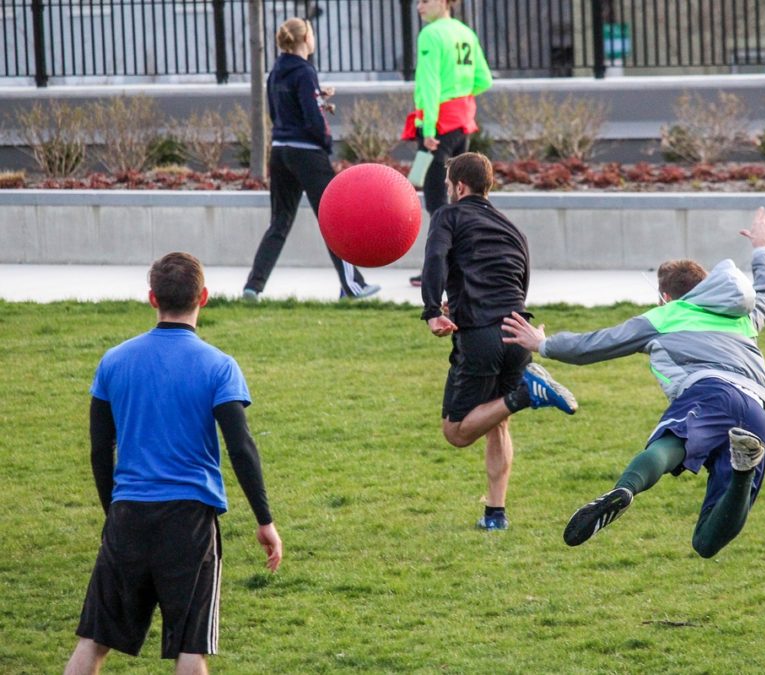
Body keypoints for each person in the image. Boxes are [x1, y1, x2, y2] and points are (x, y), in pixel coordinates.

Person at [502, 208, 765, 558]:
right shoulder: (743, 318)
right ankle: (744, 468)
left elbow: (597, 343)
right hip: (759, 414)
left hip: (711, 393)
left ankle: (626, 489)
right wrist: (762, 247)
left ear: (665, 296)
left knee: (670, 445)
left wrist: (542, 343)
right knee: (706, 543)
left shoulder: (665, 316)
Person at [65, 252, 283, 674]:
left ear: (152, 298)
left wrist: (114, 513)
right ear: (204, 297)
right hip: (189, 523)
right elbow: (241, 447)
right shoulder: (219, 367)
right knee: (189, 648)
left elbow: (98, 449)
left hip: (127, 515)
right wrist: (264, 520)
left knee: (93, 642)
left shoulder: (113, 362)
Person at [422, 152, 576, 531]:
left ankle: (525, 394)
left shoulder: (448, 215)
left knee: (456, 431)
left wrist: (431, 309)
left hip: (483, 335)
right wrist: (455, 303)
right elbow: (517, 281)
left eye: (447, 186)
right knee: (498, 422)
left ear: (459, 187)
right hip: (518, 331)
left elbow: (436, 258)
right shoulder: (510, 227)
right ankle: (496, 515)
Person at [242, 17, 380, 303]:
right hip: (307, 153)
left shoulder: (276, 71)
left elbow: (277, 112)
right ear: (305, 39)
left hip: (280, 151)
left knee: (279, 221)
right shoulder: (305, 71)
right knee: (334, 219)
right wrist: (326, 141)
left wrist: (318, 96)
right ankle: (352, 286)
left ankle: (253, 287)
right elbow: (312, 118)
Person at [405, 0, 493, 287]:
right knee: (463, 195)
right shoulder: (465, 32)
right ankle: (470, 261)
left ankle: (439, 268)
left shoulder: (431, 34)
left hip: (438, 124)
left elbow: (429, 84)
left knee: (436, 200)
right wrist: (460, 91)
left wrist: (428, 129)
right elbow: (483, 79)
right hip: (461, 121)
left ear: (443, 3)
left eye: (424, 1)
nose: (418, 6)